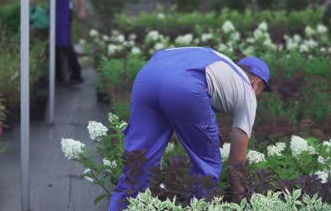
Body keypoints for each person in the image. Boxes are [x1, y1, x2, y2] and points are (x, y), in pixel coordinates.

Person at [109, 46, 272, 210]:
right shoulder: (248, 92)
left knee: (139, 160)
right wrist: (240, 197)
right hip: (186, 84)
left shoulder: (218, 60)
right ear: (257, 85)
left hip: (149, 75)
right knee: (206, 166)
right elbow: (237, 162)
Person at [30, 0, 86, 84]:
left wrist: (81, 9)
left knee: (65, 42)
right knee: (53, 44)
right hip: (52, 8)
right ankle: (58, 76)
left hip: (64, 8)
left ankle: (76, 75)